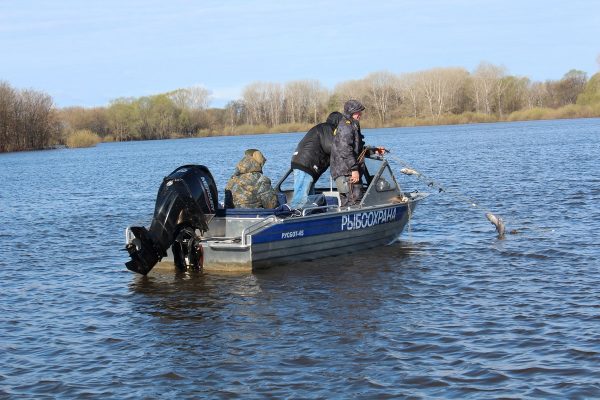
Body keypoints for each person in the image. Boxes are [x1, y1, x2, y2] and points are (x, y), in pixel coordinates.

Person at [330, 99, 382, 207]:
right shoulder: (346, 126)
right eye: (358, 112)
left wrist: (374, 150)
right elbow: (345, 149)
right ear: (351, 112)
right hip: (347, 173)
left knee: (349, 203)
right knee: (356, 203)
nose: (360, 114)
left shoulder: (353, 125)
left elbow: (357, 149)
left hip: (347, 172)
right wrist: (354, 170)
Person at [289, 111, 344, 208]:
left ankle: (306, 217)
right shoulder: (328, 128)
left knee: (309, 199)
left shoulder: (322, 128)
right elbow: (330, 146)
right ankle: (294, 216)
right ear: (338, 121)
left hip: (304, 164)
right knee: (300, 199)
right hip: (306, 165)